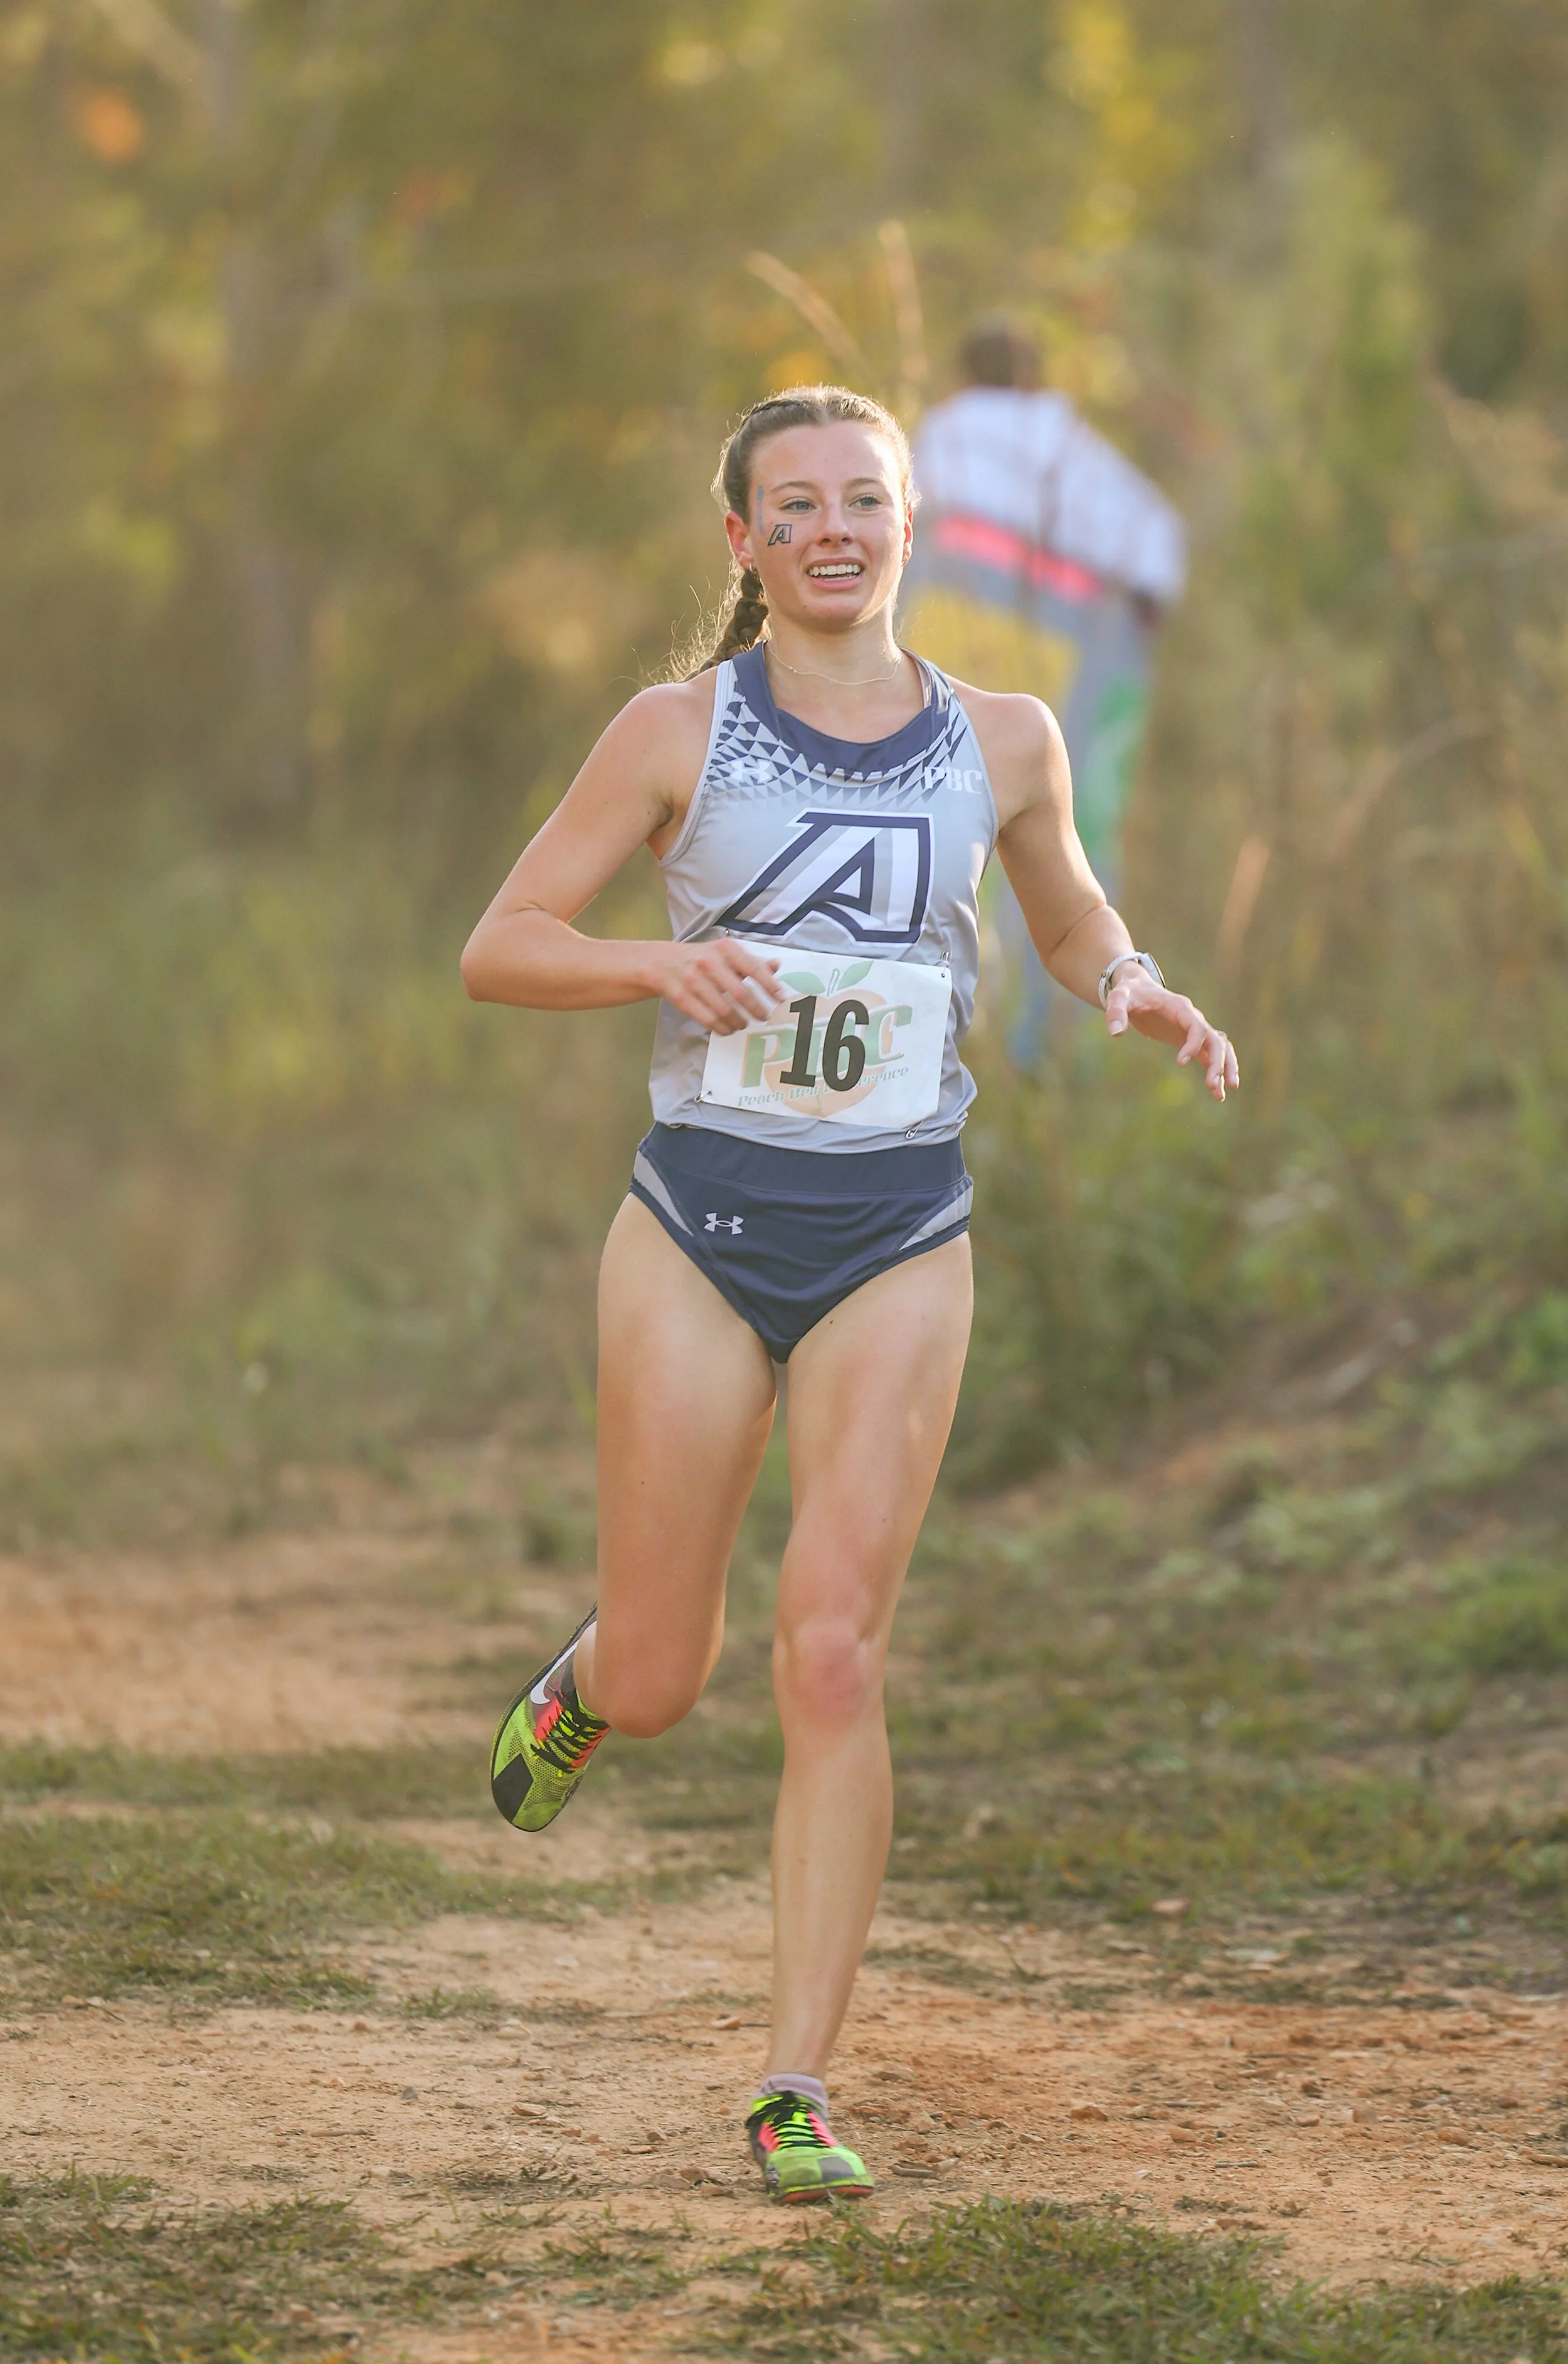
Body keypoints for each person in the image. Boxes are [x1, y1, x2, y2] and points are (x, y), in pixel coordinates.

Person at [460, 384, 1235, 2205]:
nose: (833, 527)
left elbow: (1063, 922)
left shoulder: (1009, 736)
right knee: (669, 1673)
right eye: (791, 502)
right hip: (696, 1228)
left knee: (831, 1647)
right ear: (739, 539)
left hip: (899, 1232)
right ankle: (590, 1679)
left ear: (913, 526)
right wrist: (664, 968)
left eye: (864, 498)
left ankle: (793, 2081)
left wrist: (1133, 989)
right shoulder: (675, 730)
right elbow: (502, 946)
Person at [903, 318, 1187, 1057]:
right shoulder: (1071, 448)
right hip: (1076, 645)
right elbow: (1160, 549)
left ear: (963, 376)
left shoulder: (937, 434)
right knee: (1059, 840)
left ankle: (931, 1032)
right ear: (1032, 377)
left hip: (945, 629)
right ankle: (1045, 1047)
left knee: (927, 825)